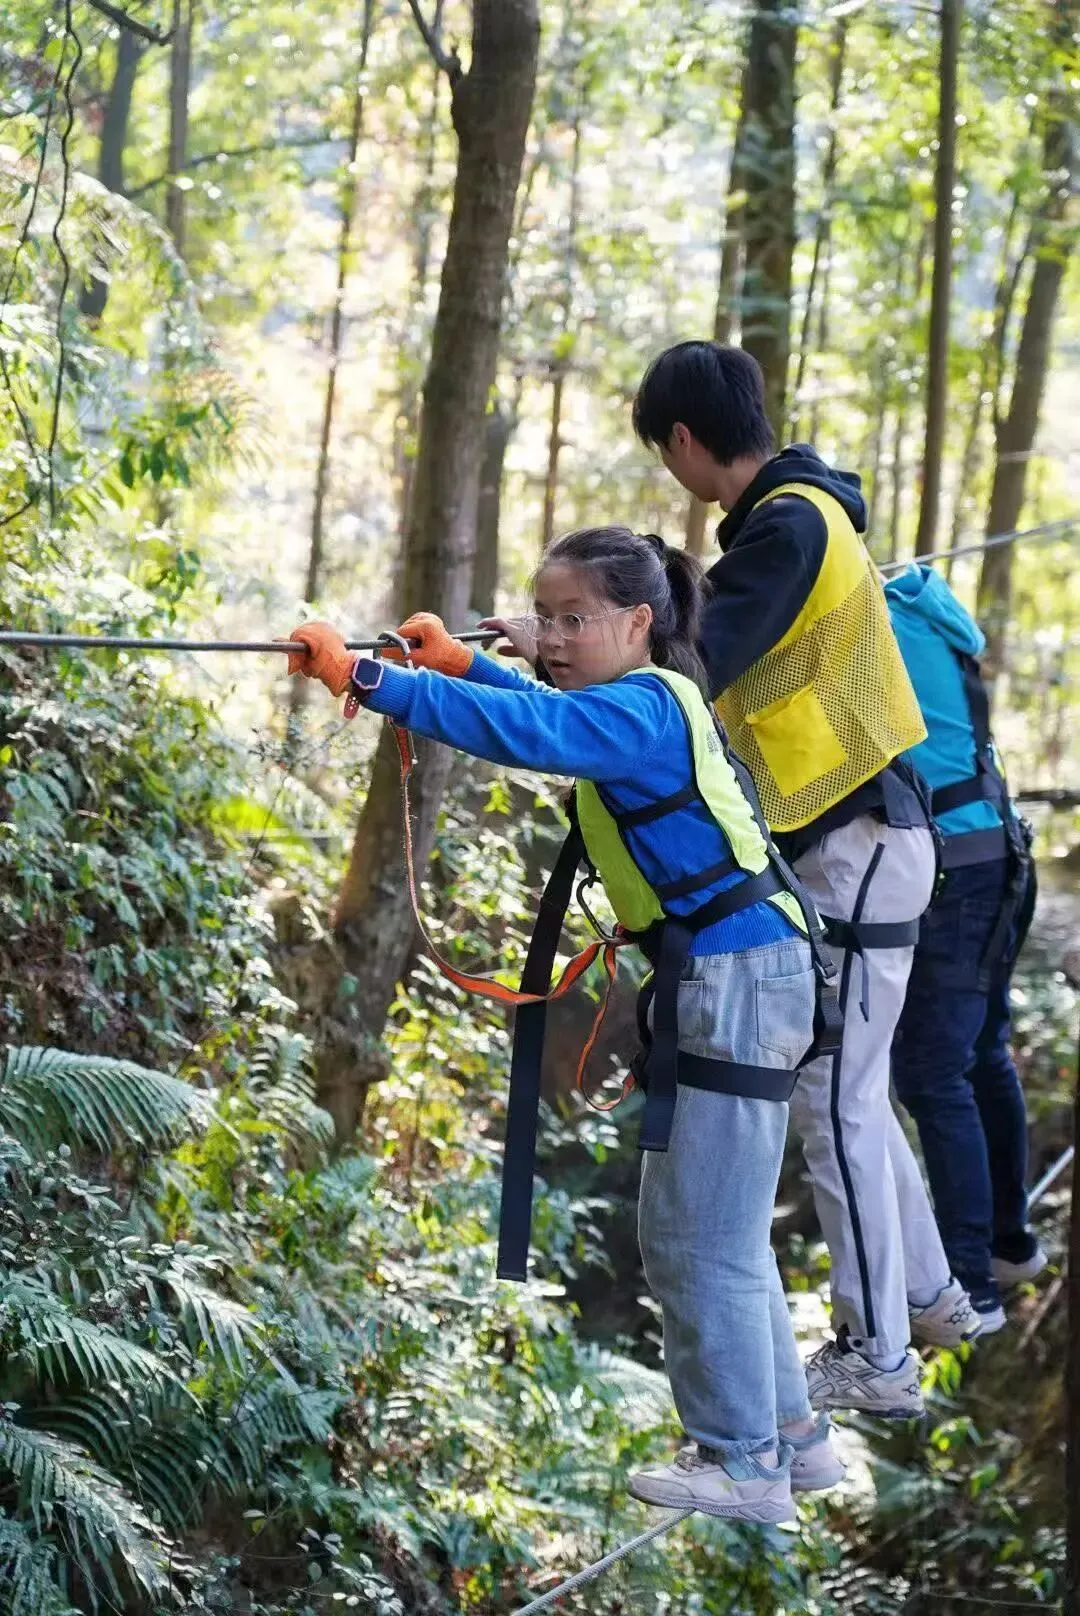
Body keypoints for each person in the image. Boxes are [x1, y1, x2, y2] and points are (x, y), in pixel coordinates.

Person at [285, 525, 845, 1522]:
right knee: (721, 1227)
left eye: (571, 617)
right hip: (745, 972)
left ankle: (743, 1461)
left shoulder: (635, 709)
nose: (549, 633)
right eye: (542, 615)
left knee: (690, 1236)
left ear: (637, 620)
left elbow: (539, 734)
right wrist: (465, 663)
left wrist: (372, 679)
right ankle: (791, 1439)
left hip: (738, 979)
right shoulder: (639, 698)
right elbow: (547, 713)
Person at [631, 340, 979, 1422]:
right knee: (854, 1088)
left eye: (665, 453)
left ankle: (878, 1349)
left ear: (686, 440)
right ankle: (926, 1293)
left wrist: (571, 651)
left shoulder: (786, 528)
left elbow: (692, 669)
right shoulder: (800, 518)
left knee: (833, 1096)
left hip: (861, 843)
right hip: (862, 843)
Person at [885, 563, 1046, 1332]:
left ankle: (971, 1279)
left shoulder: (866, 623)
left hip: (959, 872)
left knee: (929, 1068)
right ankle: (1009, 1245)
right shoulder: (922, 608)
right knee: (979, 1055)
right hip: (1001, 855)